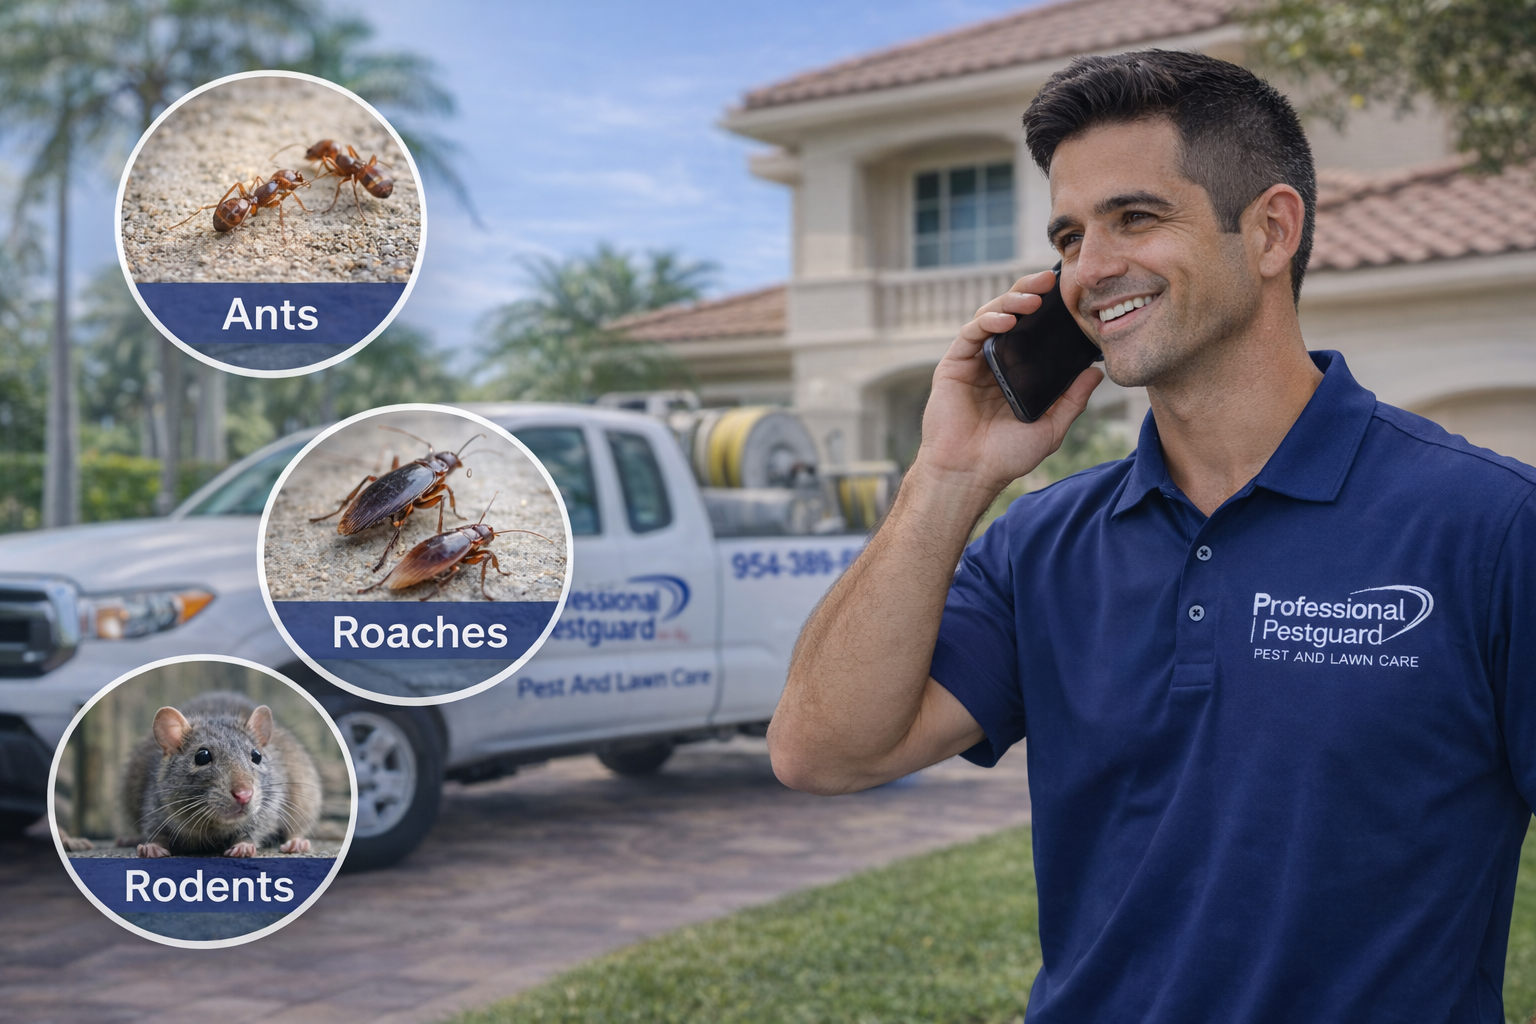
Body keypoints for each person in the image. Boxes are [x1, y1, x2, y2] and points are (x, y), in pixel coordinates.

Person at [769, 48, 1536, 1023]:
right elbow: (821, 752)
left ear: (1269, 231)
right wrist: (950, 474)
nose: (1089, 269)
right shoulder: (1040, 546)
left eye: (1135, 217)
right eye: (1068, 235)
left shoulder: (1493, 524)